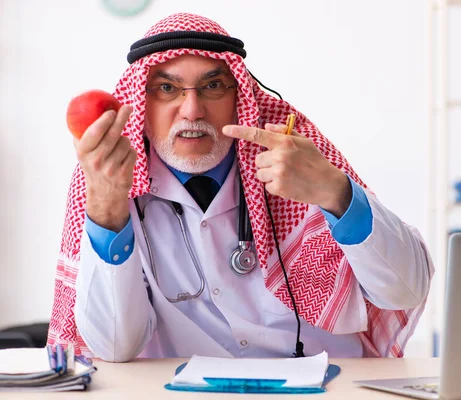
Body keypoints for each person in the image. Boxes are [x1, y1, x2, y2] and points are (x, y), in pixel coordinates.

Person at [47, 13, 434, 362]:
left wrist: (335, 191)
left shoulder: (296, 164)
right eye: (167, 89)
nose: (192, 110)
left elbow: (406, 290)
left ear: (240, 98)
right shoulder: (113, 186)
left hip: (330, 383)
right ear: (140, 103)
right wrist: (108, 209)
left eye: (213, 85)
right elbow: (114, 346)